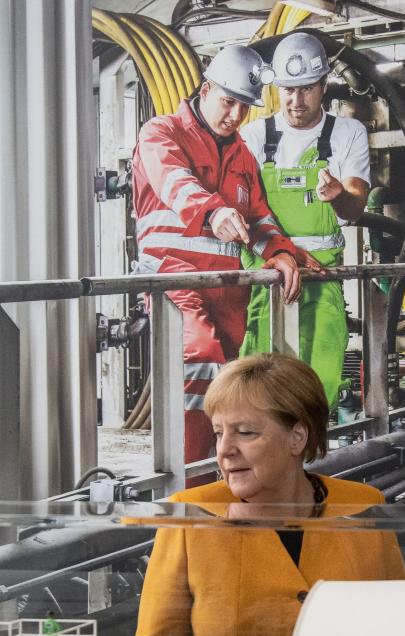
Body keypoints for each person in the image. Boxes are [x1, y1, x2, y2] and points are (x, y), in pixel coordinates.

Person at [132, 353, 405, 636]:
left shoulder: (363, 506)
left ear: (297, 438)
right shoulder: (189, 517)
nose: (225, 450)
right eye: (219, 433)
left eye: (245, 432)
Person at [131, 45, 304, 465]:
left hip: (227, 294)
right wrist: (213, 209)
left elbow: (260, 218)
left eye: (244, 107)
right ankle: (187, 478)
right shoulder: (162, 132)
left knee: (229, 386)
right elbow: (174, 181)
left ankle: (217, 478)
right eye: (229, 102)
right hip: (174, 280)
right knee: (201, 360)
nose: (236, 116)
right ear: (206, 90)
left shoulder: (243, 154)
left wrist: (280, 253)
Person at [239, 32, 371, 411]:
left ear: (324, 85)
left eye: (307, 89)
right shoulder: (253, 135)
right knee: (259, 388)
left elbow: (355, 207)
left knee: (317, 384)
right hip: (264, 281)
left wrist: (339, 196)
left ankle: (310, 461)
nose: (297, 101)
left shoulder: (347, 133)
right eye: (288, 90)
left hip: (321, 280)